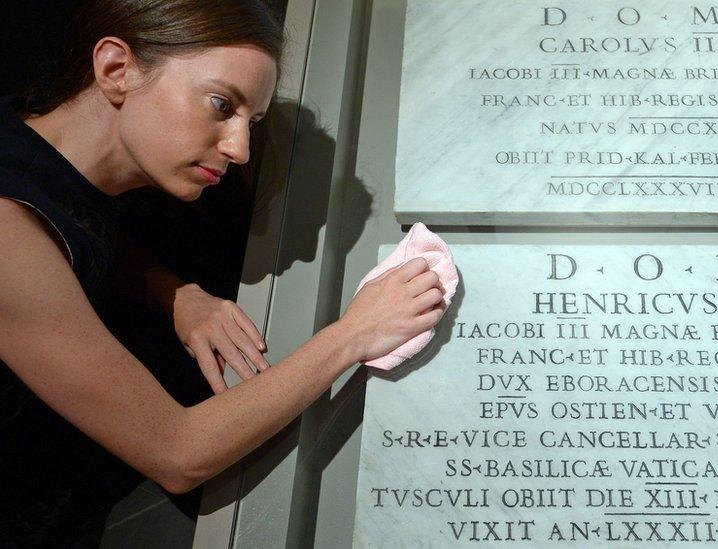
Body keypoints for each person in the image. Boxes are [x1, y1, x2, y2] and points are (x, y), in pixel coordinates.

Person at [0, 0, 446, 545]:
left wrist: (174, 294)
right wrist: (354, 334)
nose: (239, 148)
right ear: (117, 69)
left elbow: (73, 235)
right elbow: (178, 451)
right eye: (220, 104)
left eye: (252, 122)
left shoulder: (32, 143)